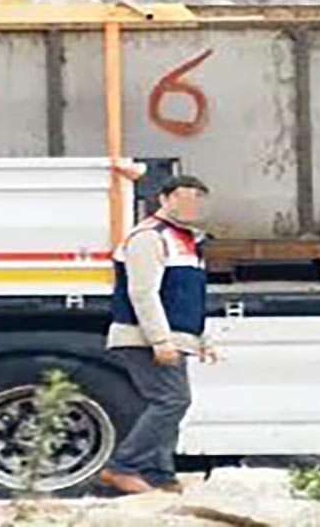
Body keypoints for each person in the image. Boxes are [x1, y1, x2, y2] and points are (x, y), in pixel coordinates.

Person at [99, 175, 212, 495]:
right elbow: (142, 292)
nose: (190, 206)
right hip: (144, 338)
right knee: (172, 400)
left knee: (168, 402)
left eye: (197, 200)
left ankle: (160, 475)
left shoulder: (186, 241)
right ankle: (123, 467)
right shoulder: (149, 237)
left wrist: (200, 340)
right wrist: (159, 340)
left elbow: (186, 298)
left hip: (172, 337)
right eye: (183, 198)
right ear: (164, 199)